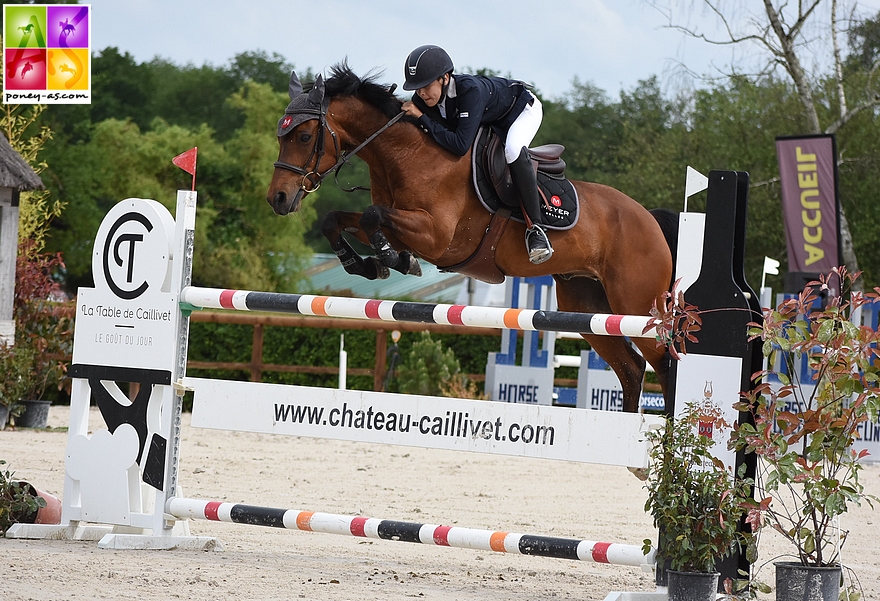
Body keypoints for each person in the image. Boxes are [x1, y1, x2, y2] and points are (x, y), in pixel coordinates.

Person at [401, 45, 553, 264]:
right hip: (491, 117)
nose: (422, 93)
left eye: (425, 86)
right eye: (417, 88)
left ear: (444, 78)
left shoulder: (469, 91)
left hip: (520, 111)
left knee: (512, 149)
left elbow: (460, 145)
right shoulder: (423, 99)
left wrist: (422, 118)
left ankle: (537, 230)